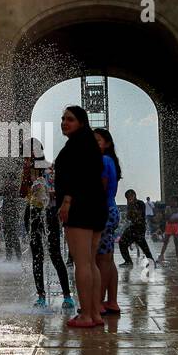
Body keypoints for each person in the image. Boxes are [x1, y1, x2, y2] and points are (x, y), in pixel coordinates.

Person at [54, 105, 106, 328]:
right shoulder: (90, 144)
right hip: (95, 207)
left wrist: (66, 202)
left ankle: (85, 316)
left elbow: (76, 177)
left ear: (82, 123)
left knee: (82, 263)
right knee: (91, 263)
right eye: (63, 119)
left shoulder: (75, 145)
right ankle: (94, 314)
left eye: (71, 119)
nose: (65, 122)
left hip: (78, 207)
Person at [21, 142, 73, 309]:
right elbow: (23, 193)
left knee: (55, 253)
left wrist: (46, 193)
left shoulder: (50, 168)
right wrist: (26, 173)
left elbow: (59, 191)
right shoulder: (28, 170)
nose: (26, 156)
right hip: (33, 214)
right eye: (25, 153)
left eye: (29, 152)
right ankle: (41, 296)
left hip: (49, 213)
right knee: (37, 256)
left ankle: (67, 295)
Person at [94, 128, 123, 314]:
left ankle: (97, 303)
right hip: (111, 210)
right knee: (109, 260)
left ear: (107, 143)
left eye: (97, 141)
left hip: (102, 212)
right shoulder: (110, 160)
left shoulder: (103, 161)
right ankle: (111, 302)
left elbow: (100, 190)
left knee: (101, 260)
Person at [118, 188, 154, 266]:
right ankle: (128, 261)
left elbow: (140, 216)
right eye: (127, 197)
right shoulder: (130, 205)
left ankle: (151, 262)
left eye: (130, 196)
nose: (129, 199)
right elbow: (128, 217)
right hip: (133, 227)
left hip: (140, 227)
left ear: (134, 195)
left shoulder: (140, 203)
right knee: (122, 242)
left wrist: (132, 208)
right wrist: (130, 209)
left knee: (143, 245)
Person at [158, 196, 178, 260]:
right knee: (166, 241)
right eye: (172, 201)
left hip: (175, 226)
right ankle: (161, 255)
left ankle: (177, 256)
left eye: (175, 201)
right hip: (169, 226)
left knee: (176, 242)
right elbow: (166, 217)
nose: (173, 203)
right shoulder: (168, 208)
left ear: (177, 202)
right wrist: (172, 212)